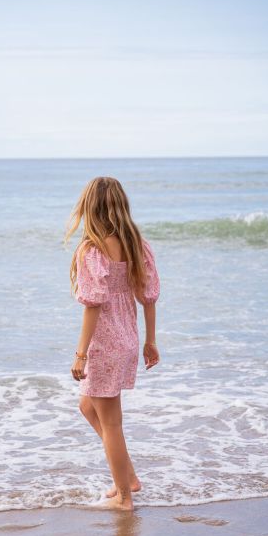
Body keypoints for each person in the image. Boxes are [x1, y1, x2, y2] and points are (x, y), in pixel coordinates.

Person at [65, 176, 160, 511]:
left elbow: (92, 304)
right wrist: (150, 340)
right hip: (128, 337)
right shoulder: (136, 244)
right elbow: (148, 297)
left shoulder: (92, 249)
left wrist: (80, 355)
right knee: (87, 406)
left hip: (105, 342)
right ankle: (129, 477)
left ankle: (124, 496)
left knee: (111, 422)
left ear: (89, 207)